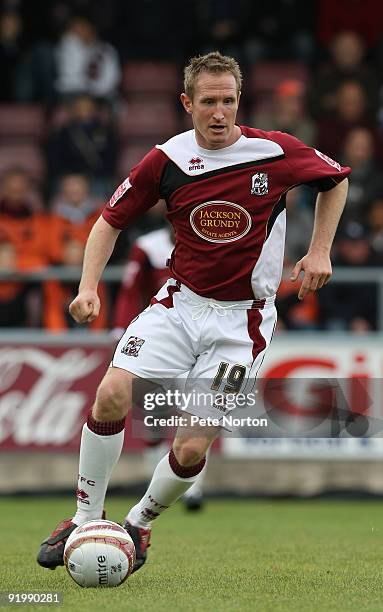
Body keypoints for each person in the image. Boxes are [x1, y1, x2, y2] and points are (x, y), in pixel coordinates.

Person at [37, 51, 350, 573]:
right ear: (187, 103)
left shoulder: (274, 151)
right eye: (209, 101)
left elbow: (335, 179)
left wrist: (320, 249)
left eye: (229, 100)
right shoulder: (168, 160)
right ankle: (84, 516)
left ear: (239, 101)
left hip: (241, 323)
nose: (220, 112)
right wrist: (88, 287)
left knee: (190, 441)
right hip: (179, 305)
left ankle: (138, 525)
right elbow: (108, 221)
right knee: (112, 391)